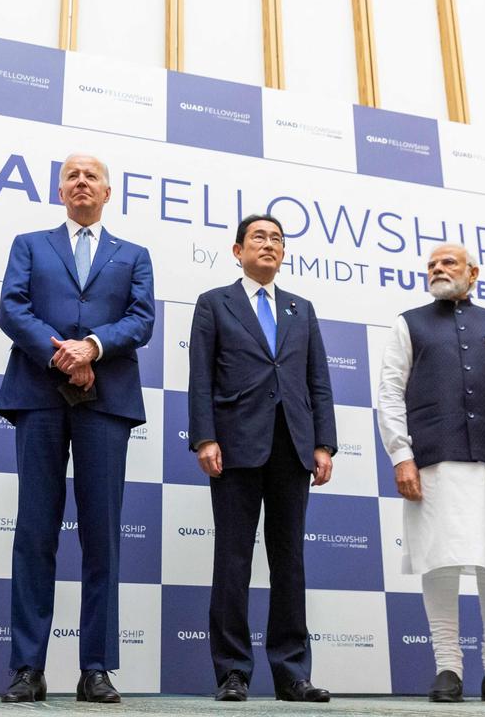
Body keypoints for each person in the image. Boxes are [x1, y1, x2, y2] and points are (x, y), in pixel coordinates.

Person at [0, 153, 155, 703]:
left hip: (106, 399)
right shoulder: (30, 244)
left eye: (92, 176)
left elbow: (142, 318)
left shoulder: (133, 254)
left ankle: (96, 668)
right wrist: (61, 352)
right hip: (38, 394)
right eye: (71, 176)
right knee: (34, 531)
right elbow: (12, 309)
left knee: (102, 536)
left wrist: (93, 346)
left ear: (108, 193)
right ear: (60, 190)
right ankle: (26, 668)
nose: (81, 182)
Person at [376, 243, 485, 703]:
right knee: (440, 558)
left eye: (448, 263)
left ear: (473, 273)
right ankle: (448, 669)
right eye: (432, 265)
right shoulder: (408, 323)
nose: (437, 269)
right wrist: (401, 455)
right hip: (434, 458)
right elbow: (390, 393)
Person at [187, 214, 336, 703]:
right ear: (237, 251)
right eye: (259, 238)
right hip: (234, 446)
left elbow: (318, 382)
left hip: (293, 447)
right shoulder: (214, 303)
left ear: (284, 252)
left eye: (277, 239)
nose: (269, 245)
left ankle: (292, 673)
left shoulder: (302, 309)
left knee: (289, 561)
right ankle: (233, 671)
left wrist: (323, 444)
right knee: (233, 560)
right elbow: (200, 378)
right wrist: (204, 438)